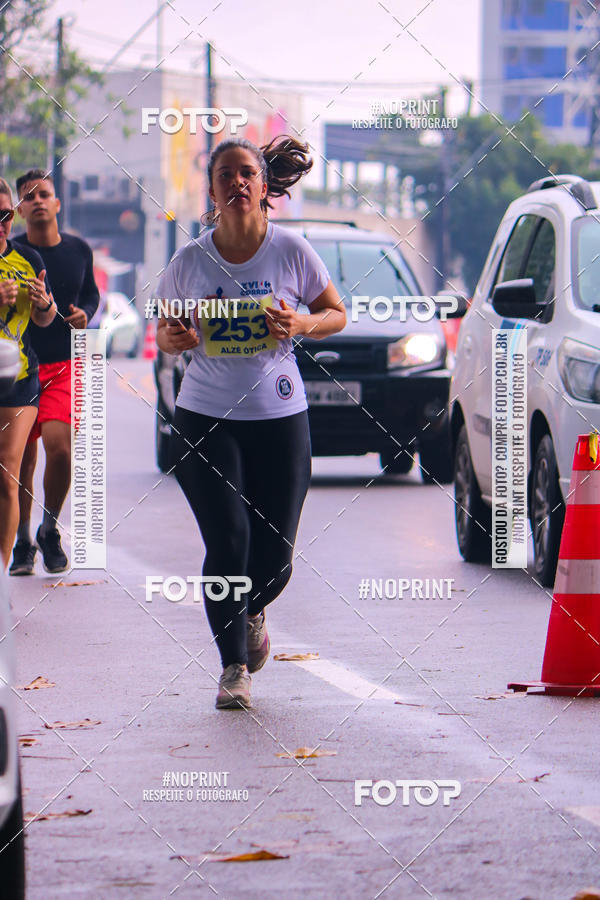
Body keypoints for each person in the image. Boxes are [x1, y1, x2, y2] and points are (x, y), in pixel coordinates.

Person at [157, 136, 346, 709]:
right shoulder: (189, 262)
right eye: (225, 175)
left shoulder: (291, 251)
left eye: (247, 173)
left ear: (265, 188)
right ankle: (232, 666)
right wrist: (175, 337)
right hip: (205, 416)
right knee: (228, 541)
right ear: (212, 192)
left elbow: (336, 314)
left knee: (274, 557)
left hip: (280, 417)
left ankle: (253, 609)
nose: (237, 183)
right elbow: (164, 334)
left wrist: (299, 323)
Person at [9, 169, 100, 575]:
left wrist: (85, 314)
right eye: (28, 196)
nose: (38, 200)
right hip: (19, 368)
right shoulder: (12, 253)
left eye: (44, 193)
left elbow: (91, 297)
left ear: (57, 203)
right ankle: (23, 540)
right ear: (20, 209)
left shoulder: (79, 250)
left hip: (64, 366)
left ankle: (50, 528)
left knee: (60, 449)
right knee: (23, 458)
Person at [0, 176, 56, 570]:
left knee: (7, 472)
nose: (1, 222)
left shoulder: (28, 260)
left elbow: (45, 319)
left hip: (17, 381)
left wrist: (43, 303)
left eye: (5, 215)